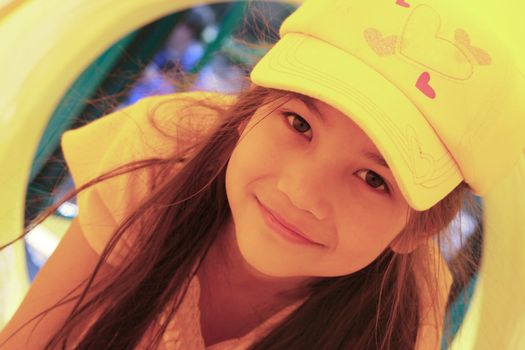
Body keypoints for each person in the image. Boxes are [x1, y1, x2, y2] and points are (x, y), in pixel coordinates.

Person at [1, 0, 524, 349]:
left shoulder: (402, 313)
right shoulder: (167, 150)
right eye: (299, 122)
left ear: (418, 228)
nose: (301, 193)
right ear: (253, 105)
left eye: (373, 178)